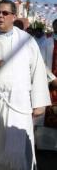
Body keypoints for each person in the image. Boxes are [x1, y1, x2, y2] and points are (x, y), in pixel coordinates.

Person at [0, 0, 51, 170]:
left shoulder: (26, 41)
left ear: (14, 16)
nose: (0, 16)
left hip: (18, 104)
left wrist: (39, 103)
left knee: (17, 151)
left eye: (5, 13)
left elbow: (38, 71)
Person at [34, 19, 57, 152]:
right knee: (49, 116)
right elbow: (41, 63)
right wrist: (52, 79)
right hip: (51, 85)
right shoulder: (46, 43)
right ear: (53, 27)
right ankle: (48, 148)